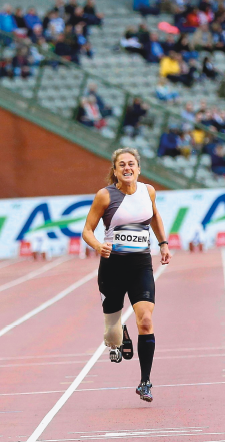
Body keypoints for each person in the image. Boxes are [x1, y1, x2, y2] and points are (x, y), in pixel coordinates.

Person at [81, 147, 172, 402]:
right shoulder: (105, 196)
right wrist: (98, 245)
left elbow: (154, 217)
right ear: (115, 170)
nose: (127, 168)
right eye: (122, 165)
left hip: (140, 265)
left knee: (145, 320)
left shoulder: (148, 191)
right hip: (112, 267)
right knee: (112, 337)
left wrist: (163, 243)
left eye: (131, 164)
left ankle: (145, 381)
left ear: (138, 168)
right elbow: (87, 230)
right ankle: (119, 332)